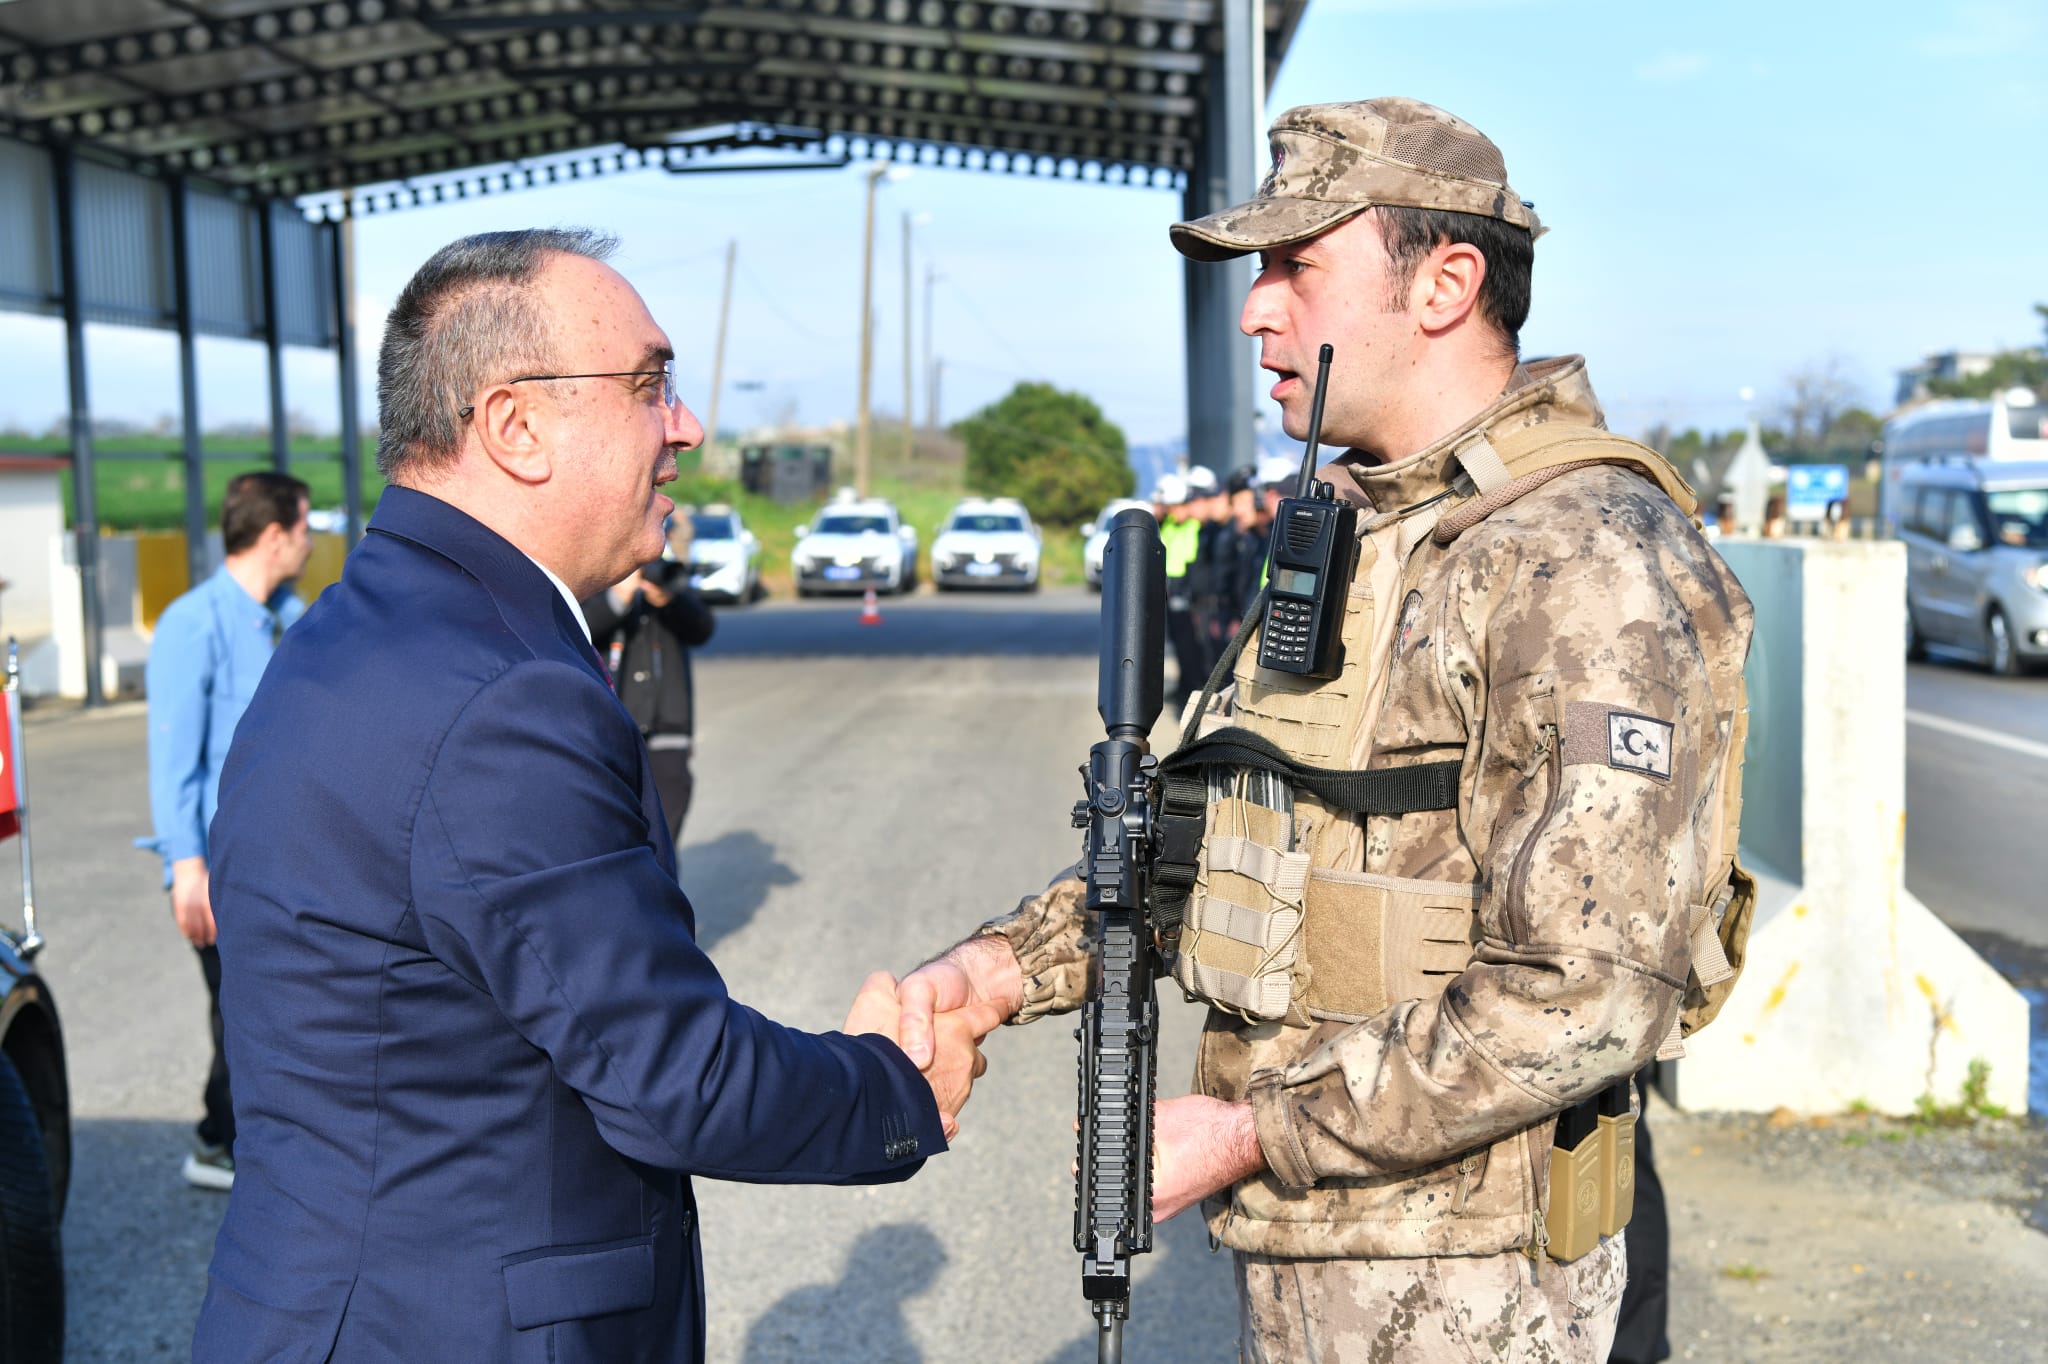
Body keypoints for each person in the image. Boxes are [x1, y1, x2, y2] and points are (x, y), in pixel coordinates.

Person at [892, 98, 1754, 1361]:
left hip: (1474, 1296)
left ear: (1445, 281)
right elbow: (1218, 849)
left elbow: (1586, 992)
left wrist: (1248, 1130)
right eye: (1258, 272)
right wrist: (994, 971)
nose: (1255, 309)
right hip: (1310, 1262)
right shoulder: (1359, 532)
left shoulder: (1579, 560)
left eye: (1296, 265)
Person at [192, 229, 993, 1363]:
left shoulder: (357, 632)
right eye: (649, 384)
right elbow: (670, 1072)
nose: (687, 425)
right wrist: (891, 1083)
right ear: (516, 427)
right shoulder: (504, 692)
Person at [141, 470, 312, 1192]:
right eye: (304, 529)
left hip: (291, 859)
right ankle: (223, 1142)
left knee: (277, 1004)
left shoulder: (293, 616)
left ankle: (239, 1138)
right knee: (243, 1008)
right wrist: (187, 867)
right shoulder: (192, 623)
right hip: (224, 864)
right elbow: (174, 755)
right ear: (274, 536)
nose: (309, 543)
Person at [581, 514, 716, 851]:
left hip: (668, 733)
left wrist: (671, 598)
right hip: (611, 734)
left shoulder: (670, 591)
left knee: (665, 844)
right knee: (616, 840)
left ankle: (665, 901)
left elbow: (702, 629)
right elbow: (580, 630)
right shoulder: (596, 584)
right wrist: (619, 598)